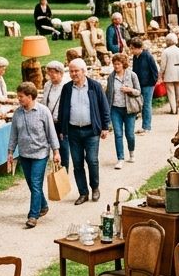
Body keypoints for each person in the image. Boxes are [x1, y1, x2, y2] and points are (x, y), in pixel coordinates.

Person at [57, 58, 110, 206]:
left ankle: (95, 187)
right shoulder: (67, 88)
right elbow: (62, 110)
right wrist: (62, 129)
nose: (74, 74)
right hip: (73, 131)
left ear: (84, 71)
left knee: (92, 160)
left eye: (76, 71)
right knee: (78, 163)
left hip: (91, 131)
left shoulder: (95, 87)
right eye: (71, 71)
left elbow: (104, 107)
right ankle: (83, 193)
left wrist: (105, 127)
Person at [7, 81, 61, 228]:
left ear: (30, 97)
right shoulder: (17, 113)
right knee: (32, 184)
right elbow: (13, 134)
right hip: (24, 154)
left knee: (36, 183)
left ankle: (33, 215)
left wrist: (56, 152)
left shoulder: (43, 112)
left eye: (21, 97)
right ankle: (43, 206)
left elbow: (51, 133)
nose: (19, 99)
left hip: (40, 154)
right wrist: (10, 152)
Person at [106, 53, 141, 169]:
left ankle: (132, 152)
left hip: (129, 109)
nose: (116, 67)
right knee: (118, 134)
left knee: (129, 134)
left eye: (118, 64)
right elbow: (108, 94)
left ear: (123, 64)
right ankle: (120, 158)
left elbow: (138, 92)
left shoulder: (132, 75)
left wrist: (129, 90)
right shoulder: (111, 77)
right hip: (115, 109)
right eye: (114, 64)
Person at [40, 60, 70, 174]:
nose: (52, 75)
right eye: (50, 72)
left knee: (62, 147)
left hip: (61, 121)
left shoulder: (66, 86)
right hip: (49, 120)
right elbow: (44, 101)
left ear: (61, 73)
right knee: (47, 145)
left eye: (55, 72)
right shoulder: (48, 85)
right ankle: (51, 168)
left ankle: (63, 172)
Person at [128, 38, 159, 134]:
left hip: (148, 85)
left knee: (146, 105)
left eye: (133, 48)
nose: (131, 51)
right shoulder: (135, 57)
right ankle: (144, 126)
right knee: (141, 105)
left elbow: (154, 71)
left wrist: (152, 82)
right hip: (139, 84)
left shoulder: (147, 56)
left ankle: (147, 127)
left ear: (139, 48)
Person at [159, 34, 179, 114]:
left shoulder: (165, 51)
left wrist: (160, 74)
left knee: (170, 92)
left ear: (167, 41)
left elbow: (163, 66)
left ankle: (174, 110)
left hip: (169, 73)